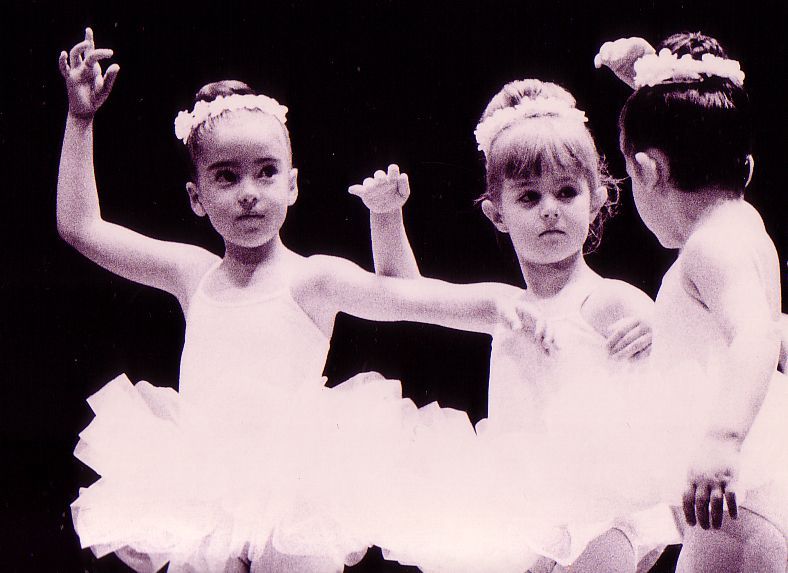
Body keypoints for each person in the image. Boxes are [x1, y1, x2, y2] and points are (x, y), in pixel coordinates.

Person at [57, 28, 546, 573]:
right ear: (196, 196)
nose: (249, 191)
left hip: (296, 485)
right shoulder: (190, 274)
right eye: (226, 176)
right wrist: (81, 121)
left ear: (291, 185)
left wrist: (503, 302)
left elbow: (414, 299)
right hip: (202, 480)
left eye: (266, 173)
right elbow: (80, 228)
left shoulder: (311, 279)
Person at [350, 79, 678, 573]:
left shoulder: (607, 299)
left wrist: (662, 330)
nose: (550, 208)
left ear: (596, 199)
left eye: (567, 191)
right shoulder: (500, 304)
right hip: (519, 505)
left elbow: (689, 366)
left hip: (601, 505)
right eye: (529, 197)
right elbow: (404, 294)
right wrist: (386, 217)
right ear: (496, 213)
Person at [602, 31, 788, 572]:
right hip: (746, 505)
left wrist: (721, 441)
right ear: (745, 168)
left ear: (647, 171)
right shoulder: (741, 224)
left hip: (738, 504)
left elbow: (757, 333)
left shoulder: (709, 246)